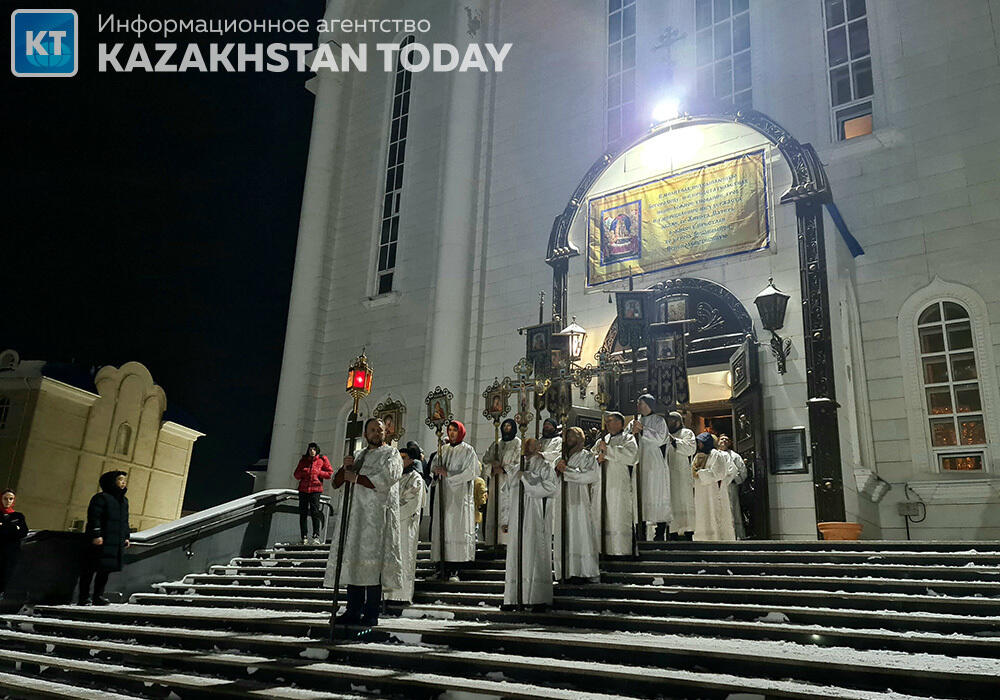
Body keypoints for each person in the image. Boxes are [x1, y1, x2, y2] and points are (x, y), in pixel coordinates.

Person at [324, 418, 402, 628]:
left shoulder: (391, 454)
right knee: (355, 561)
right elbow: (337, 481)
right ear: (365, 434)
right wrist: (345, 468)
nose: (377, 433)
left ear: (385, 432)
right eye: (372, 430)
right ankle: (352, 610)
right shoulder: (358, 455)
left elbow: (388, 478)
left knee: (372, 566)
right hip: (354, 517)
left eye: (380, 430)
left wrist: (356, 478)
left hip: (377, 518)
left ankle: (371, 613)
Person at [501, 438, 557, 612]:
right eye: (525, 444)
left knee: (533, 551)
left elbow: (550, 487)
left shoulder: (545, 466)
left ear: (539, 447)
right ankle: (513, 597)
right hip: (517, 515)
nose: (526, 447)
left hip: (534, 513)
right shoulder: (517, 466)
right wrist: (505, 518)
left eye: (531, 444)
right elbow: (507, 492)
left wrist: (527, 477)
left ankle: (536, 598)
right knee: (516, 553)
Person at [429, 420, 478, 581]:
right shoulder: (442, 449)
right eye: (449, 430)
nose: (451, 433)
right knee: (441, 528)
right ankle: (439, 567)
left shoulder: (468, 450)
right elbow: (433, 468)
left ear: (461, 432)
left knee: (455, 528)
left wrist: (448, 474)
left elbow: (471, 472)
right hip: (443, 494)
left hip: (458, 496)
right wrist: (436, 472)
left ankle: (454, 570)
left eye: (454, 430)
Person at [553, 427, 600, 583]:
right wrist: (557, 470)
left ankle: (583, 571)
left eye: (573, 436)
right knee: (563, 533)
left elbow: (591, 475)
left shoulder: (587, 456)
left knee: (581, 533)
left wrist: (567, 471)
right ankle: (564, 572)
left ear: (581, 438)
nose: (569, 439)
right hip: (561, 500)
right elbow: (550, 478)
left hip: (579, 500)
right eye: (567, 436)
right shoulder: (560, 457)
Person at [78, 471, 130, 606]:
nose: (123, 482)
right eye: (120, 479)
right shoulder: (101, 498)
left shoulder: (124, 501)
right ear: (111, 482)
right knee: (89, 570)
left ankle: (98, 596)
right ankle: (83, 597)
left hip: (114, 542)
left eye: (124, 480)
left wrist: (126, 536)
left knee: (105, 570)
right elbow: (94, 517)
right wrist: (96, 534)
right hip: (100, 541)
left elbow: (125, 521)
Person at [384, 446, 427, 606]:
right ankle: (387, 595)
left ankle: (402, 595)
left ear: (410, 460)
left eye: (403, 457)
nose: (400, 460)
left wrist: (393, 510)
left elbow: (412, 502)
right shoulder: (393, 477)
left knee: (404, 557)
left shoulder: (415, 478)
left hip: (405, 523)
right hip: (389, 523)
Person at [593, 412, 639, 556]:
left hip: (618, 482)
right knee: (601, 512)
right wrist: (597, 458)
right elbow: (592, 456)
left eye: (610, 421)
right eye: (606, 421)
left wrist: (609, 451)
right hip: (601, 482)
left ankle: (621, 549)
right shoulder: (602, 439)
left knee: (618, 513)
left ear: (620, 423)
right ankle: (601, 549)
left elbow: (632, 457)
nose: (607, 424)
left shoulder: (628, 438)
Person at [628, 394, 672, 541]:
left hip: (654, 462)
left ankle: (659, 532)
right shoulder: (634, 422)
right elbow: (628, 439)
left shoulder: (659, 420)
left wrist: (643, 431)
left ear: (648, 405)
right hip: (639, 459)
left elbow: (661, 438)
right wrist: (632, 433)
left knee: (655, 493)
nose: (638, 406)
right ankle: (640, 531)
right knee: (640, 494)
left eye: (640, 403)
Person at [481, 418, 521, 547]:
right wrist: (492, 467)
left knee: (507, 507)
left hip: (509, 481)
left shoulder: (517, 443)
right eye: (505, 426)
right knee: (494, 508)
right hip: (495, 481)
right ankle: (493, 540)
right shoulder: (496, 443)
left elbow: (519, 462)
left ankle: (506, 541)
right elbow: (485, 459)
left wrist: (504, 469)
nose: (506, 428)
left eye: (509, 426)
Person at [692, 432, 737, 542]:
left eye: (701, 442)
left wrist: (701, 473)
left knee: (714, 514)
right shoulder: (698, 456)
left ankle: (718, 539)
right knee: (703, 514)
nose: (699, 445)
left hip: (713, 491)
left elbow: (719, 473)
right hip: (701, 492)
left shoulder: (716, 455)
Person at [665, 412, 698, 540]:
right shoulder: (665, 435)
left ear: (678, 422)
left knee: (684, 500)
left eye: (671, 421)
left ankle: (688, 531)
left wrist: (674, 441)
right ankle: (672, 531)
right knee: (671, 501)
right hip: (668, 472)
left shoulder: (687, 433)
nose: (669, 424)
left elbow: (691, 449)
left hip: (682, 473)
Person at [293, 442, 333, 545]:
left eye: (314, 449)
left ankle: (316, 536)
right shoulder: (303, 460)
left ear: (317, 450)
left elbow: (329, 473)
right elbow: (296, 474)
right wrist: (304, 471)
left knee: (315, 512)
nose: (312, 451)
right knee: (303, 513)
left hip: (316, 489)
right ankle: (304, 536)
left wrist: (319, 472)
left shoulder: (322, 459)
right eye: (310, 449)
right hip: (303, 490)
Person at [718, 434, 748, 539]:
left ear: (730, 443)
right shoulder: (714, 454)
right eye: (722, 439)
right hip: (716, 487)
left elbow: (743, 471)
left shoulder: (735, 456)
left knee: (732, 510)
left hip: (731, 486)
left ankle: (736, 536)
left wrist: (734, 480)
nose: (724, 441)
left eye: (727, 439)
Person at [0, 490, 28, 600]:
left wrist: (4, 526)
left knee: (7, 574)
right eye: (5, 498)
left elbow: (23, 532)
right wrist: (13, 528)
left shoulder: (18, 516)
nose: (8, 501)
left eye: (10, 499)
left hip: (11, 551)